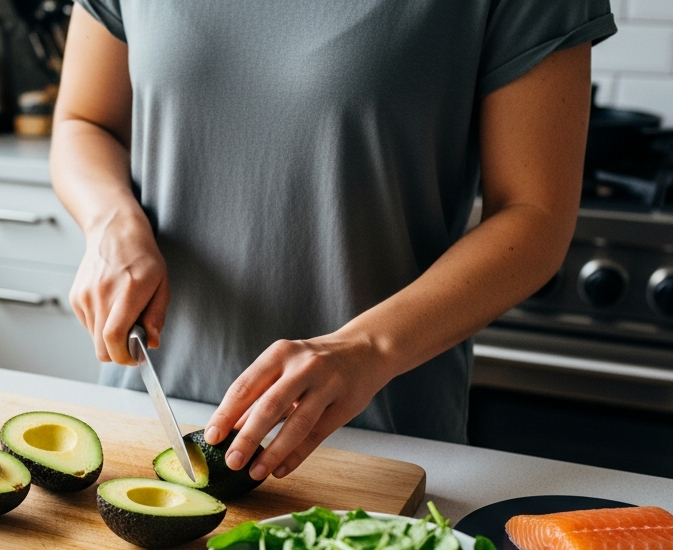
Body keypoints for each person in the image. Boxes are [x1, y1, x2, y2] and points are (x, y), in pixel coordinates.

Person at [50, 1, 614, 481]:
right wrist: (110, 224)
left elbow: (534, 215)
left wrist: (369, 349)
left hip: (377, 441)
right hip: (145, 413)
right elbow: (83, 120)